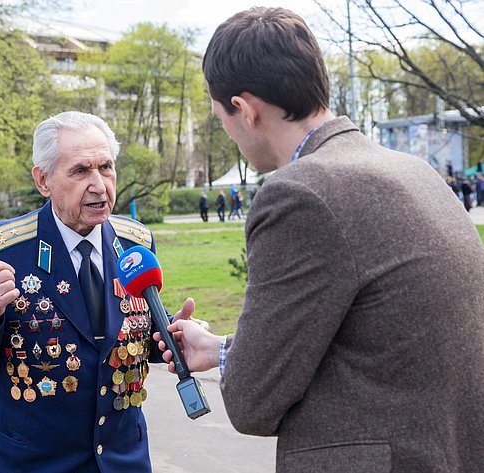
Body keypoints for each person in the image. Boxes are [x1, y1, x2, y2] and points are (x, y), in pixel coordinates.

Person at [156, 8, 484, 472]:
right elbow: (375, 342)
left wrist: (241, 367)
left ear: (246, 110)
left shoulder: (300, 194)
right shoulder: (415, 172)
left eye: (222, 118)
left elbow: (253, 402)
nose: (228, 132)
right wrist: (221, 348)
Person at [0, 111, 192, 473]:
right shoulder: (0, 249)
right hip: (30, 463)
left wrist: (171, 335)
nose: (99, 185)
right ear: (43, 180)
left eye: (106, 167)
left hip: (122, 461)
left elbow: (129, 341)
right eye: (80, 171)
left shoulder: (135, 242)